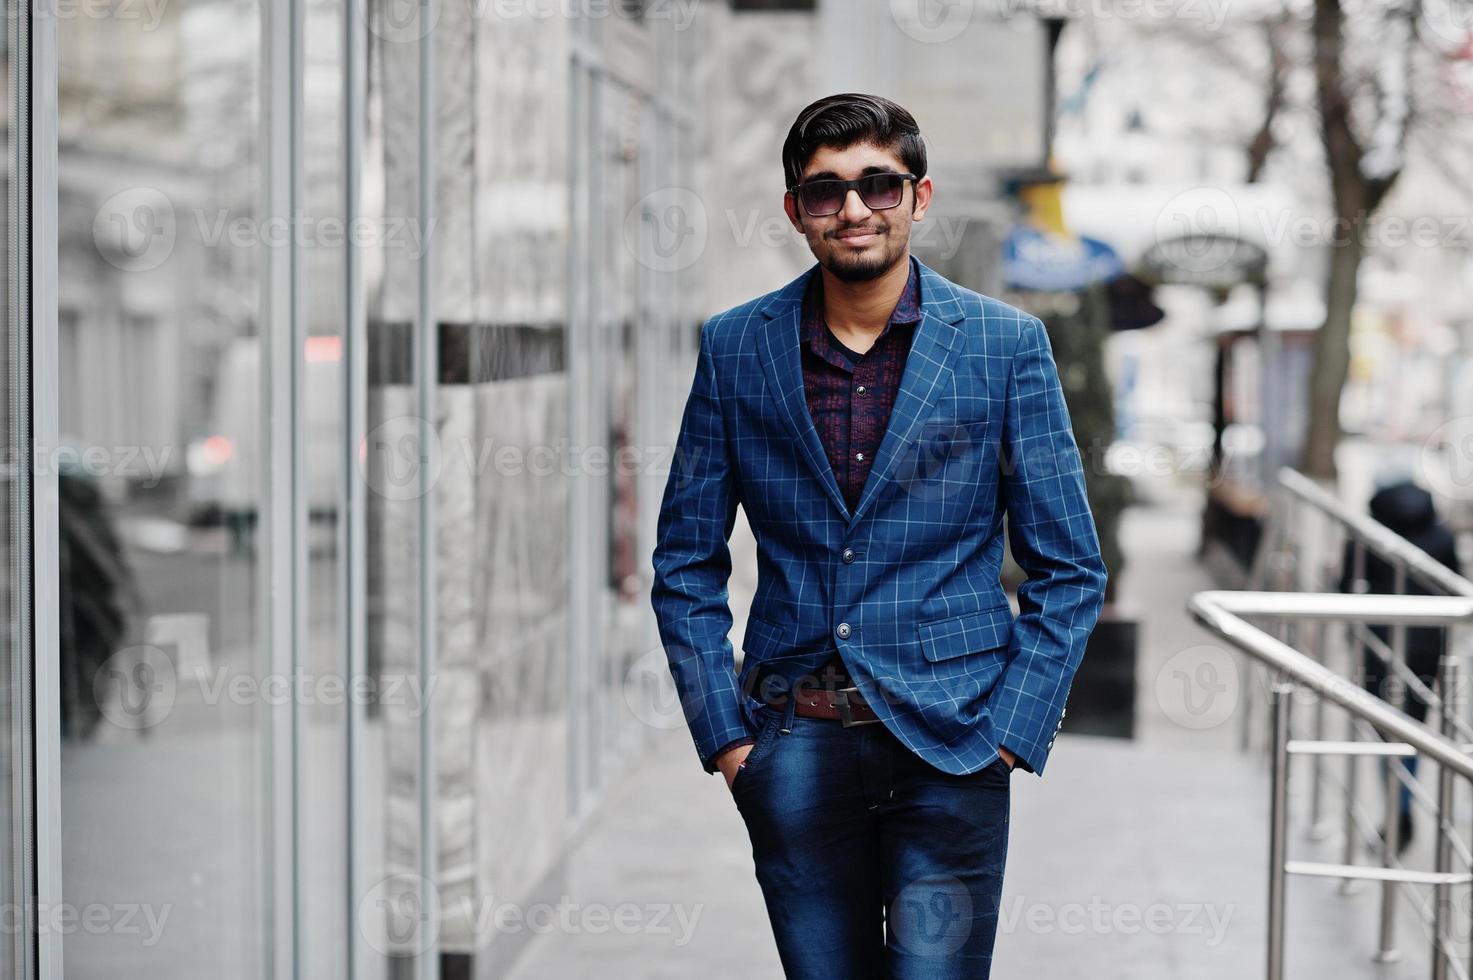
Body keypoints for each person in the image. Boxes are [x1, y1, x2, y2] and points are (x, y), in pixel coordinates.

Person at [649, 93, 1107, 979]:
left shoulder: (1005, 345)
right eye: (825, 192)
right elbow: (684, 563)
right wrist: (728, 740)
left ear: (918, 197)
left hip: (955, 744)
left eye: (877, 185)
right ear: (795, 212)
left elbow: (1069, 566)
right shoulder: (738, 346)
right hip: (795, 744)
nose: (853, 209)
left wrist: (1011, 730)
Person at [1337, 476, 1463, 853]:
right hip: (1427, 645)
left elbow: (1345, 587)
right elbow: (1457, 586)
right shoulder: (1441, 537)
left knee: (1384, 729)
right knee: (1414, 732)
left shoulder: (1367, 535)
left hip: (1379, 643)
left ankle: (1399, 811)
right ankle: (1403, 808)